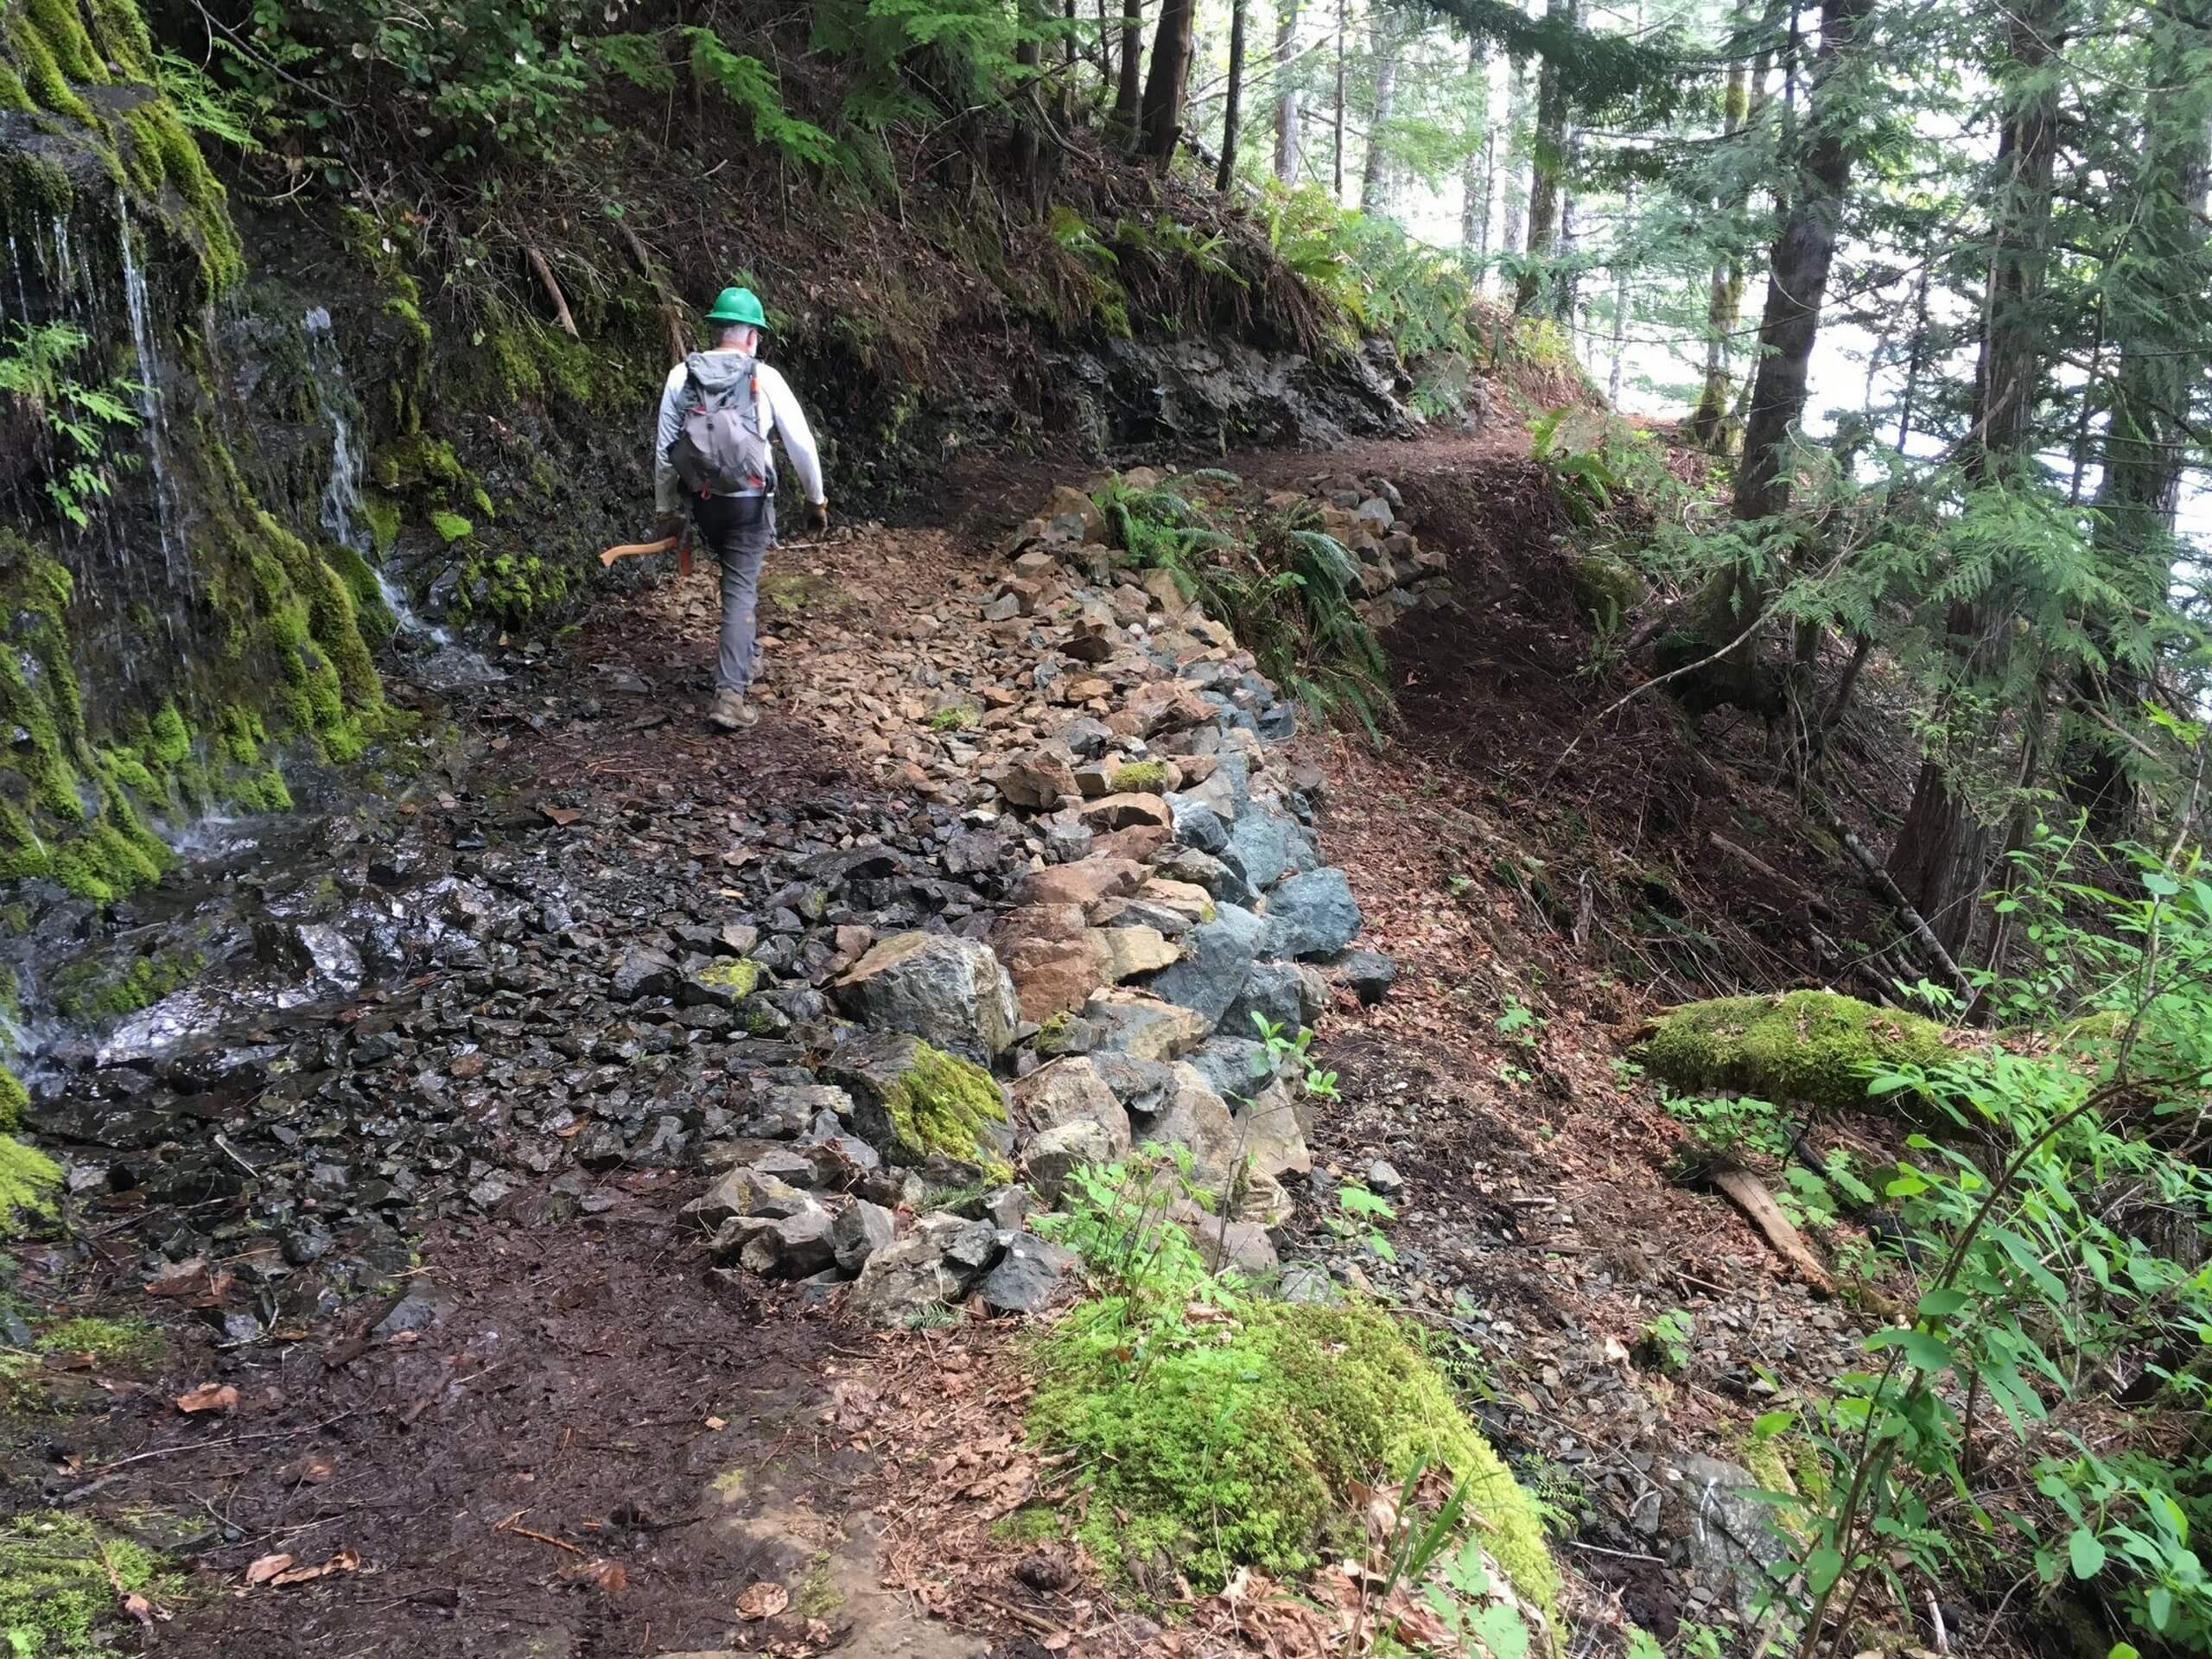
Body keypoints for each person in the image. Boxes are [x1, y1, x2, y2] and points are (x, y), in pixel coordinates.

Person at [653, 285, 829, 731]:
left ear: (715, 330)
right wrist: (815, 500)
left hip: (705, 502)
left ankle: (746, 657)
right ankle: (730, 695)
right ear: (752, 335)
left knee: (734, 578)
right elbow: (802, 446)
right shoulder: (764, 377)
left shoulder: (681, 376)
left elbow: (664, 451)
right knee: (740, 589)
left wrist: (666, 508)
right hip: (750, 504)